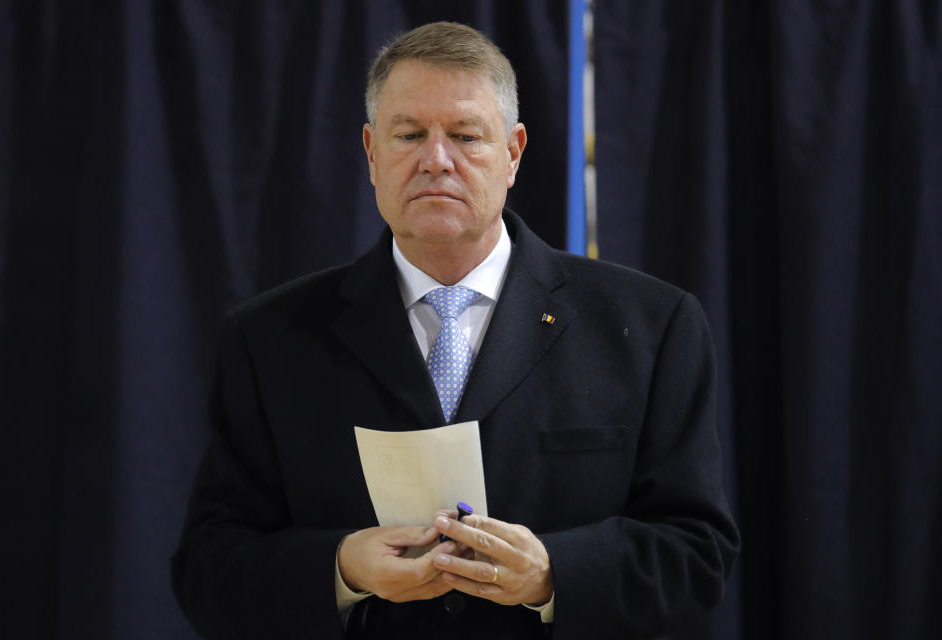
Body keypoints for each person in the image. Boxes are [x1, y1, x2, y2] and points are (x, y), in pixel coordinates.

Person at [171, 21, 739, 640]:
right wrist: (340, 569)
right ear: (370, 154)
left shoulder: (653, 325)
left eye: (466, 136)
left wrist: (555, 574)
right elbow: (210, 568)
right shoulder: (270, 338)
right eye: (409, 134)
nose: (436, 160)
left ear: (514, 153)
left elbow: (697, 554)